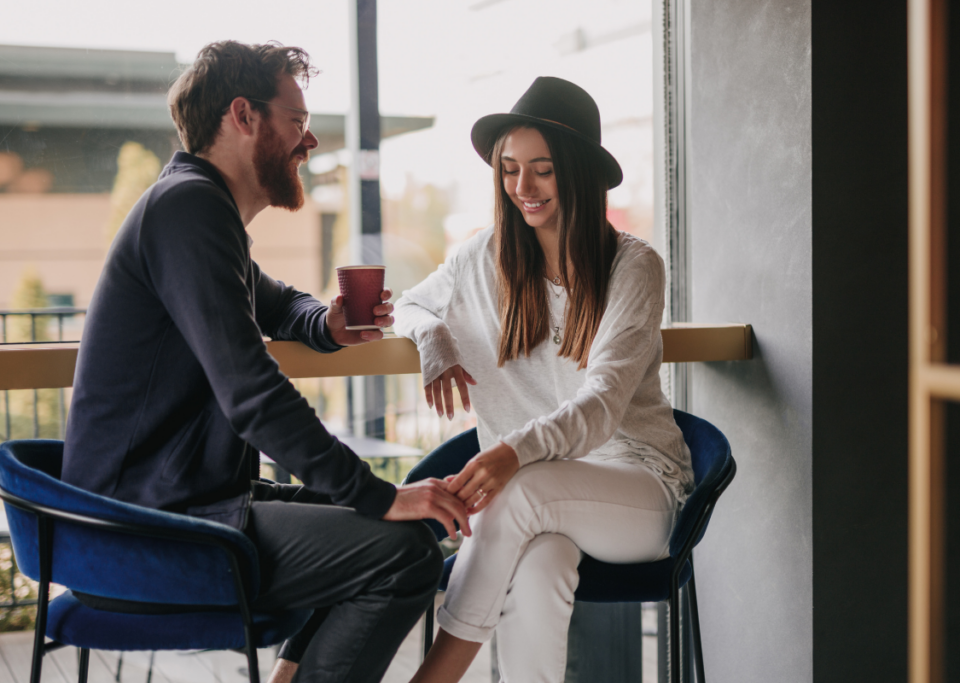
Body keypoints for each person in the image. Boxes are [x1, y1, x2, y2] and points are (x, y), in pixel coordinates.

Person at [61, 40, 471, 683]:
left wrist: (328, 324)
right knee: (401, 555)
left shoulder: (198, 210)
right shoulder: (188, 208)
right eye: (298, 123)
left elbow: (280, 303)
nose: (308, 144)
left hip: (174, 505)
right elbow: (251, 391)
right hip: (142, 529)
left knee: (410, 537)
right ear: (243, 116)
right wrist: (378, 494)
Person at [394, 77, 696, 683]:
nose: (521, 188)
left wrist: (512, 453)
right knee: (538, 571)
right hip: (543, 501)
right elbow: (412, 305)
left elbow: (601, 405)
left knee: (518, 494)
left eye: (542, 170)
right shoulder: (483, 257)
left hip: (640, 485)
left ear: (578, 172)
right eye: (509, 169)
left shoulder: (633, 266)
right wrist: (434, 340)